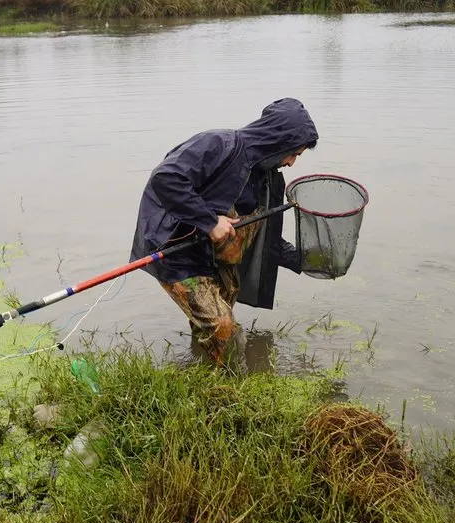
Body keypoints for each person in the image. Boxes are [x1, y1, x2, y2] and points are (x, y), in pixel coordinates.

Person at [130, 98, 319, 366]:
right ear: (279, 142)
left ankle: (202, 369)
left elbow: (268, 239)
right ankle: (226, 393)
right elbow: (166, 179)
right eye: (294, 154)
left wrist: (305, 261)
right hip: (175, 252)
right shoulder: (218, 144)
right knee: (223, 326)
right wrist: (208, 221)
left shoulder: (268, 177)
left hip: (217, 257)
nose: (291, 163)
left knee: (212, 325)